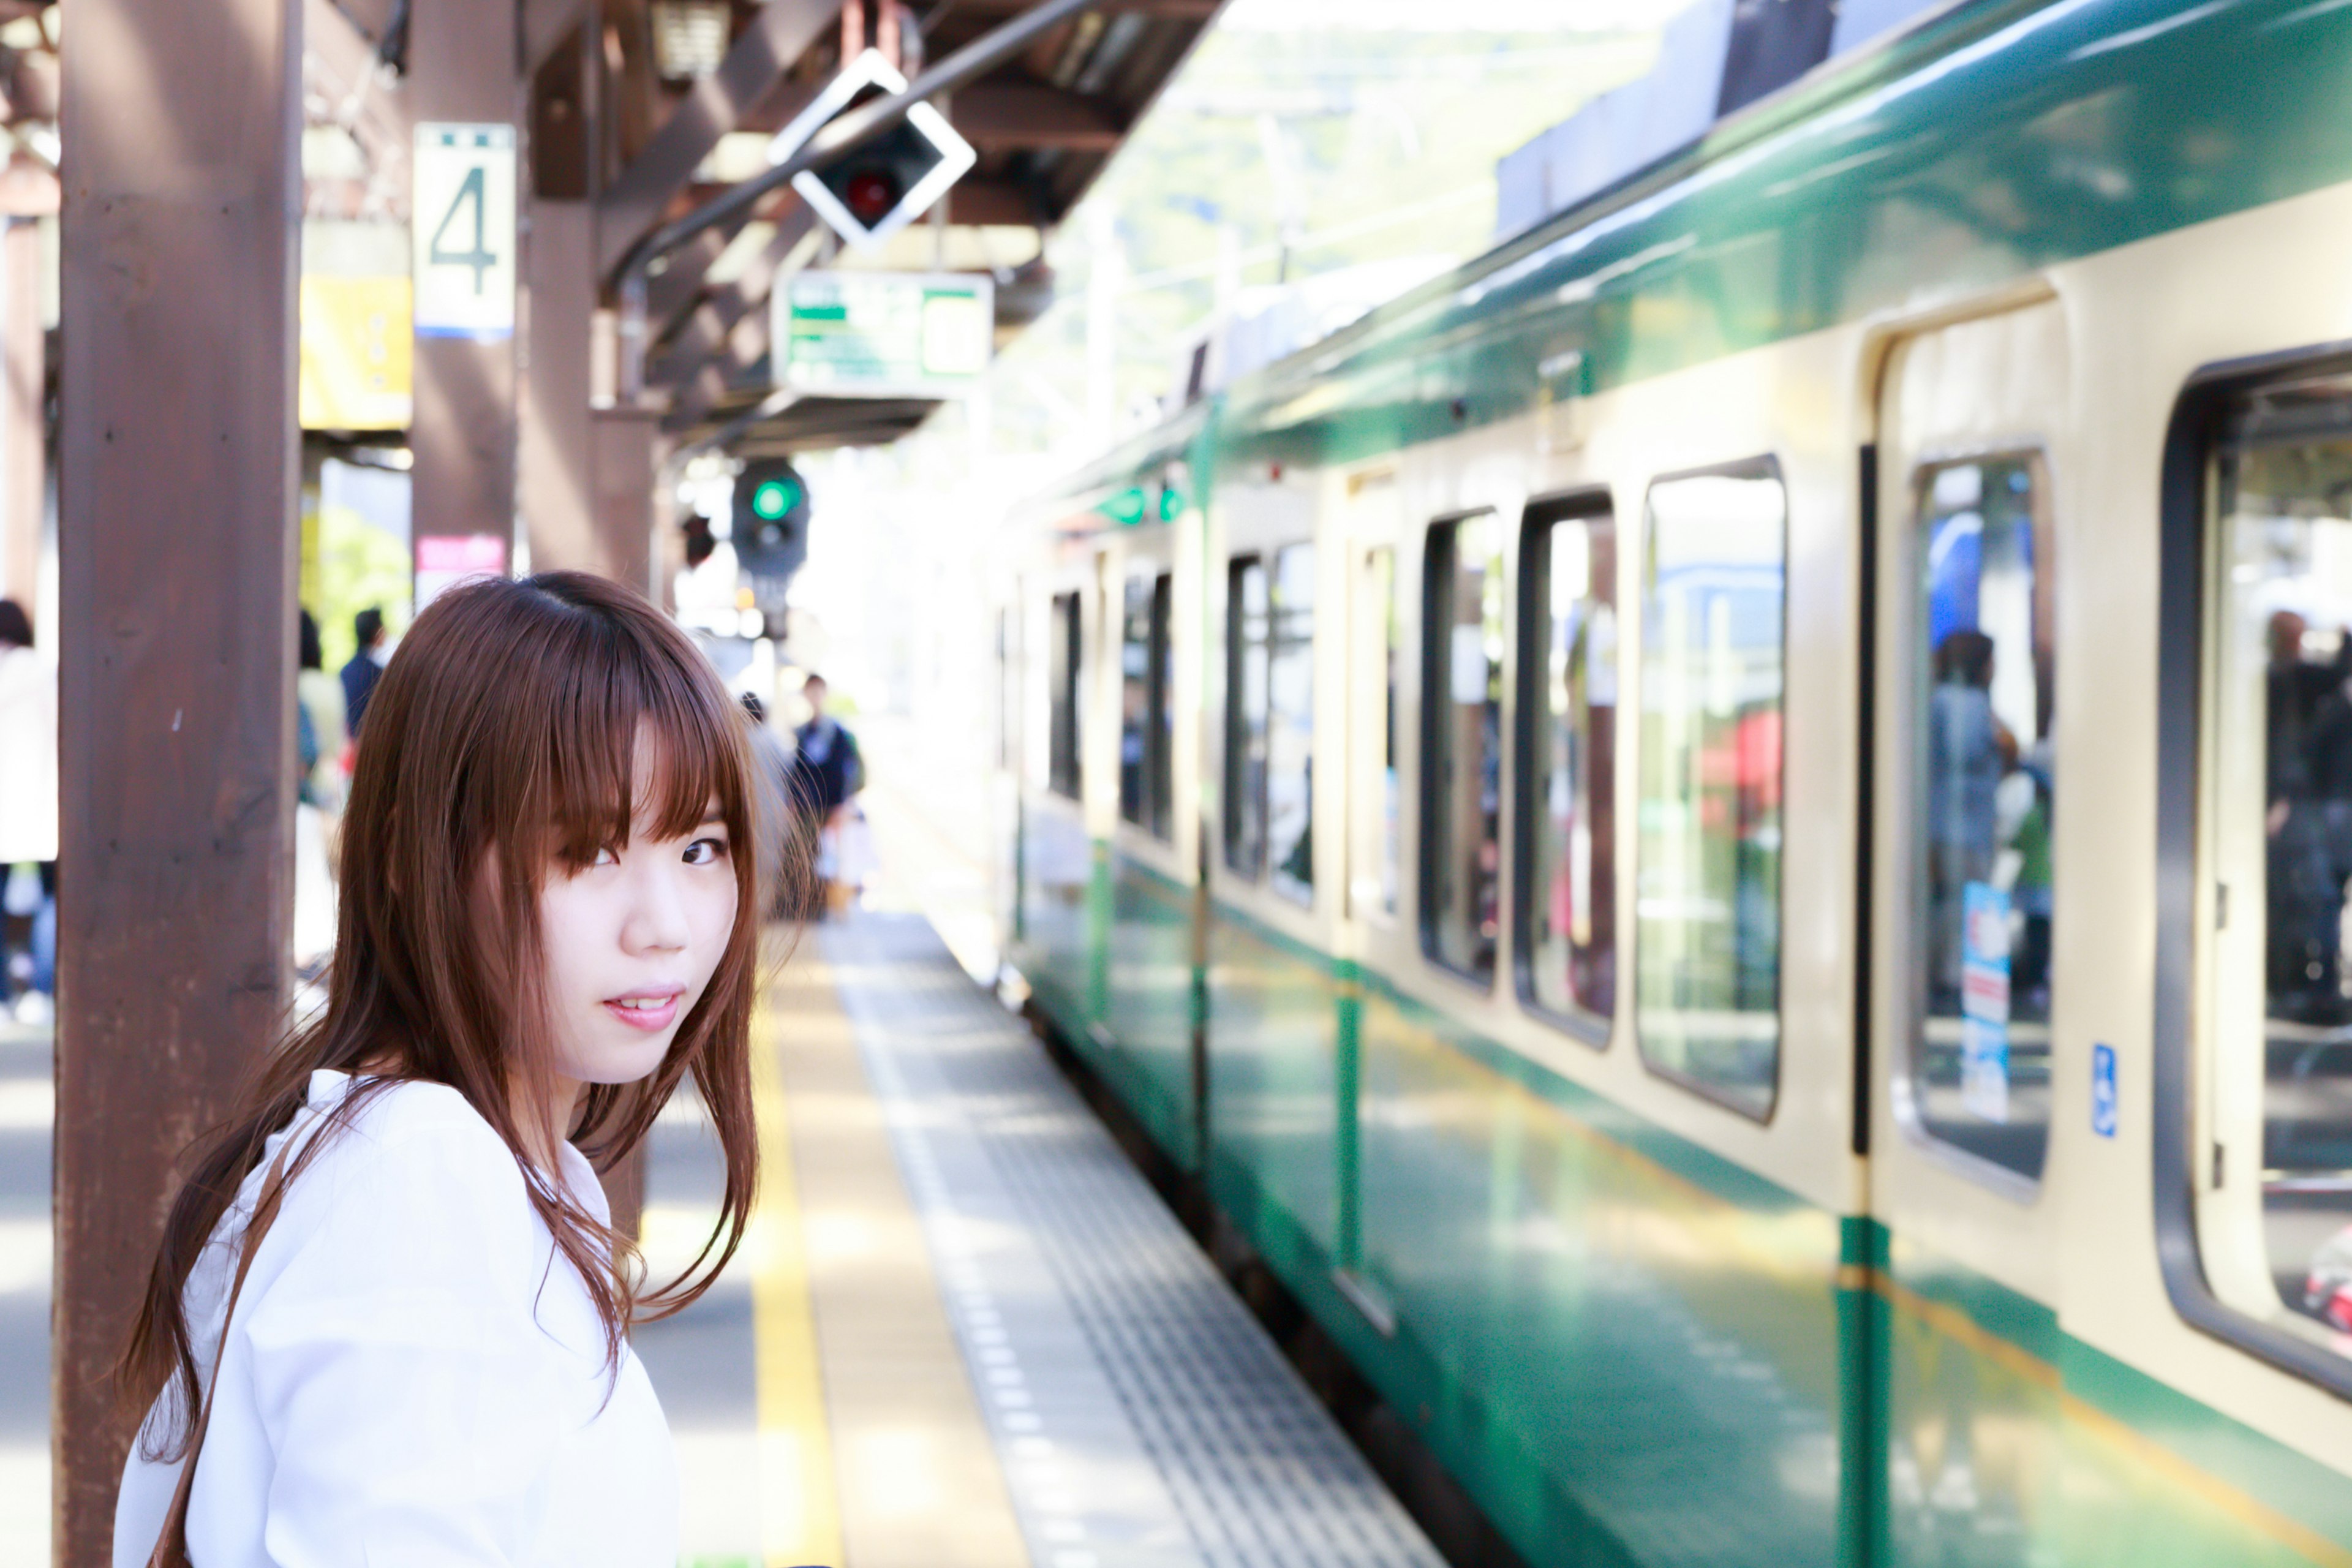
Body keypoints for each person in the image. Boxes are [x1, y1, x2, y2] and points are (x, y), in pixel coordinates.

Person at [113, 573, 763, 1567]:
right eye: (587, 853)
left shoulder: (461, 1161)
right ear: (420, 864)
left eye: (701, 847)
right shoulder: (419, 1181)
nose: (665, 926)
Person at [0, 598, 56, 1025]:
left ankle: (4, 993)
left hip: (7, 804)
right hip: (40, 802)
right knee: (50, 902)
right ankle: (41, 988)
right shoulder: (41, 673)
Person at [785, 673, 862, 917]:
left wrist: (840, 806)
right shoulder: (804, 733)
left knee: (834, 859)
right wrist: (793, 802)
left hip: (831, 808)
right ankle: (812, 907)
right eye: (811, 692)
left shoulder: (837, 732)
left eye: (818, 691)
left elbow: (844, 771)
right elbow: (797, 771)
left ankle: (835, 907)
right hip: (808, 808)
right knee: (807, 857)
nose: (815, 697)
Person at [340, 606, 388, 735]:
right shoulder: (379, 673)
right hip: (371, 739)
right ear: (377, 633)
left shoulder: (345, 671)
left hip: (351, 742)